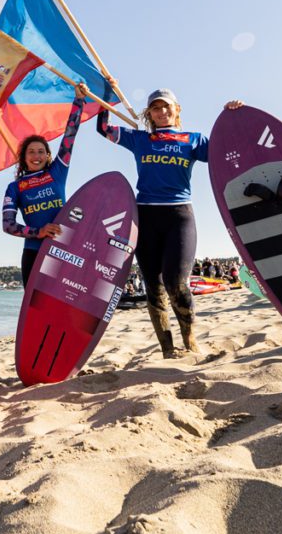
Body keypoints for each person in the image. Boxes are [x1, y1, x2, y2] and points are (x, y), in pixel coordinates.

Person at [97, 86, 242, 357]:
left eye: (166, 107)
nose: (161, 112)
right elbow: (103, 128)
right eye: (155, 108)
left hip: (179, 216)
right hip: (146, 217)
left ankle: (190, 341)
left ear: (176, 110)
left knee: (176, 282)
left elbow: (227, 150)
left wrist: (234, 116)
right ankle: (167, 349)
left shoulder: (193, 139)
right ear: (150, 113)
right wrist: (105, 94)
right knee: (153, 286)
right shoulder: (141, 139)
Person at [2, 84, 89, 286]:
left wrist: (78, 100)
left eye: (41, 151)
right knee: (35, 312)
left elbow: (70, 135)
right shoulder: (15, 188)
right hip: (33, 253)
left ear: (48, 155)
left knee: (64, 307)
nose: (36, 156)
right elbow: (7, 225)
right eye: (31, 152)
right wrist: (38, 232)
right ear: (23, 158)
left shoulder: (57, 172)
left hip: (63, 250)